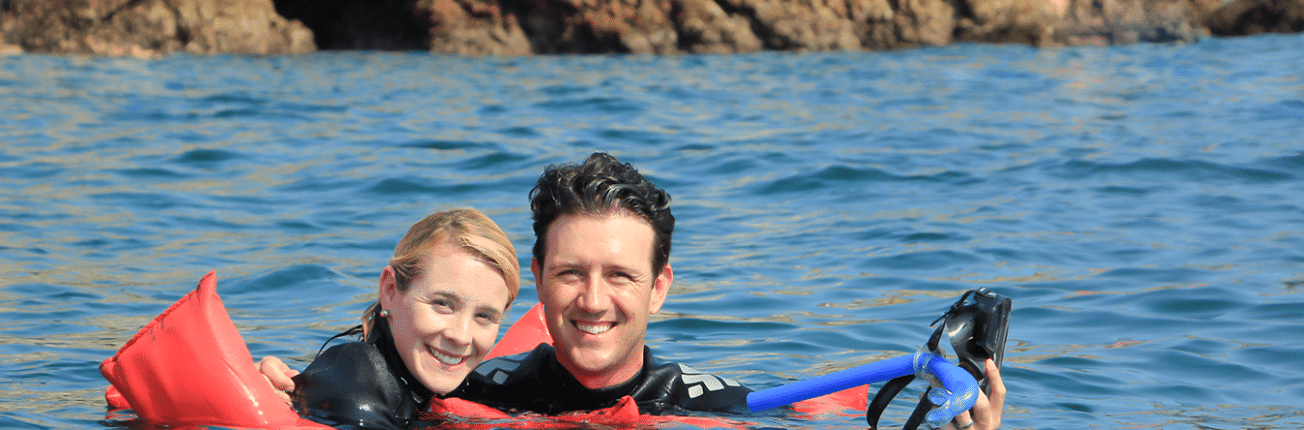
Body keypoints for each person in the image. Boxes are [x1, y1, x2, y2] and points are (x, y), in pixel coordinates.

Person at [448, 153, 1006, 430]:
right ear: (539, 278)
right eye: (571, 274)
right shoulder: (473, 391)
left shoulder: (722, 408)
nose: (593, 300)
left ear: (659, 288)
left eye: (621, 275)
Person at [256, 208, 521, 430]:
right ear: (390, 290)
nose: (461, 336)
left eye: (484, 316)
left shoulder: (434, 385)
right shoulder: (354, 385)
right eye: (442, 304)